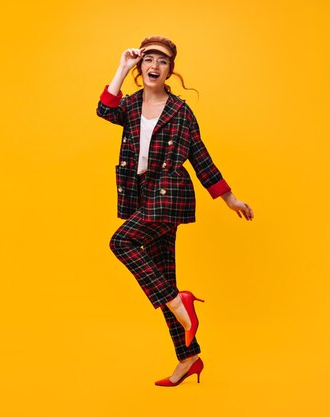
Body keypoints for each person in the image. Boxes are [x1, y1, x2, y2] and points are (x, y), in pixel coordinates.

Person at [96, 35, 254, 387]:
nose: (155, 66)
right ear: (141, 66)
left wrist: (230, 199)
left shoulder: (180, 111)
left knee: (120, 243)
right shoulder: (132, 105)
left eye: (163, 61)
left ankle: (180, 303)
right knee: (164, 278)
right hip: (141, 195)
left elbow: (200, 156)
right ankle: (189, 357)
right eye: (148, 59)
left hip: (169, 196)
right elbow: (105, 109)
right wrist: (121, 68)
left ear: (171, 70)